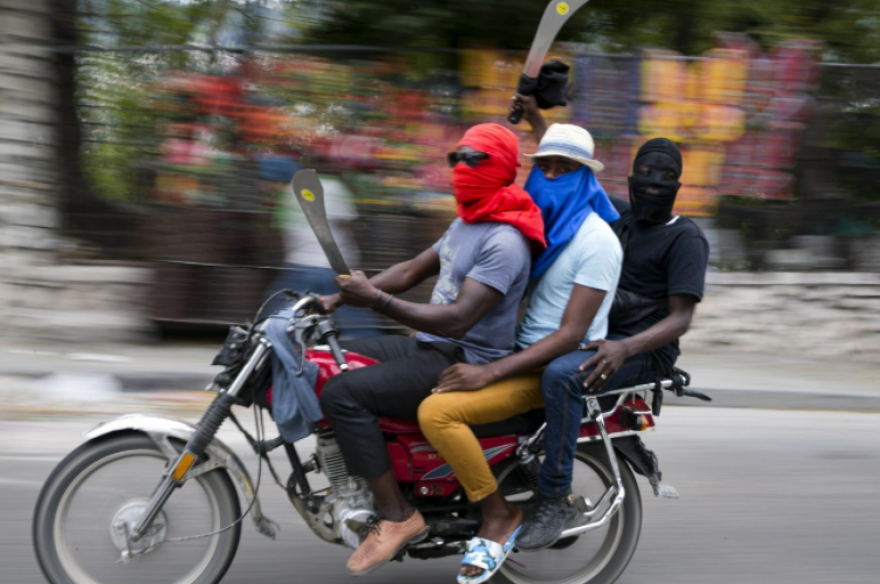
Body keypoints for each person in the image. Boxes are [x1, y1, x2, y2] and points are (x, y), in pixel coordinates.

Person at [318, 123, 546, 576]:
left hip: (461, 358)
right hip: (428, 345)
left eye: (473, 158)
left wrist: (376, 300)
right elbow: (409, 271)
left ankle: (397, 515)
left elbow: (460, 318)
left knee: (344, 394)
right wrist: (338, 298)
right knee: (325, 360)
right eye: (455, 157)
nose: (461, 167)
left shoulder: (504, 240)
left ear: (500, 168)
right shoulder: (468, 220)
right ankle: (357, 477)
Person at [419, 100, 623, 583]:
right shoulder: (542, 223)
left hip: (548, 364)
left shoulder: (596, 241)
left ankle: (502, 516)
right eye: (543, 166)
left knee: (437, 412)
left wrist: (488, 371)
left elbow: (570, 334)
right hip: (512, 353)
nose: (550, 176)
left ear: (585, 177)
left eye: (564, 169)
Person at [514, 126, 711, 549]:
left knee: (562, 376)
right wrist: (533, 116)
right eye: (645, 174)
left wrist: (624, 347)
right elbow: (568, 171)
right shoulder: (618, 217)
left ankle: (553, 498)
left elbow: (681, 318)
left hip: (641, 348)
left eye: (663, 177)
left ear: (677, 185)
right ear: (631, 179)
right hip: (596, 331)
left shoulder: (686, 238)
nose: (653, 185)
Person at [265, 163, 382, 337]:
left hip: (302, 267)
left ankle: (279, 351)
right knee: (354, 317)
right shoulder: (333, 186)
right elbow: (350, 223)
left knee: (279, 315)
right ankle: (373, 353)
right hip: (337, 266)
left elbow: (280, 240)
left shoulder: (286, 195)